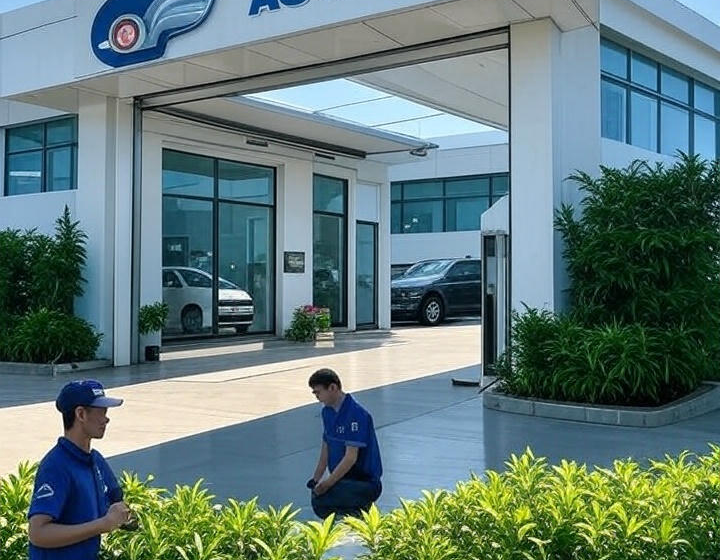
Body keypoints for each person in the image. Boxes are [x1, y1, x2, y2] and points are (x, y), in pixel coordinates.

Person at [28, 379, 131, 560]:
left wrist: (124, 517)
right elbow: (38, 533)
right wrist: (102, 524)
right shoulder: (55, 466)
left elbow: (117, 505)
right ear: (81, 414)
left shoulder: (95, 460)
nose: (106, 419)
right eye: (102, 411)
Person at [307, 368, 382, 519]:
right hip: (343, 480)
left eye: (318, 392)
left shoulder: (356, 414)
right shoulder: (327, 412)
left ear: (332, 387)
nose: (317, 397)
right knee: (318, 498)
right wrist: (316, 479)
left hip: (363, 482)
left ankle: (359, 511)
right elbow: (326, 447)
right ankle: (351, 512)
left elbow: (350, 457)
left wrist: (327, 484)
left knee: (324, 499)